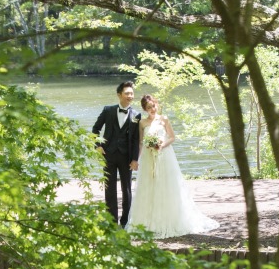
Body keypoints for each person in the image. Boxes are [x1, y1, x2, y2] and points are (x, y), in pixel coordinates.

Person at [126, 94, 219, 239]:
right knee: (149, 187)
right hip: (149, 158)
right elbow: (140, 142)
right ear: (145, 109)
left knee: (166, 186)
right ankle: (148, 222)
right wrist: (137, 159)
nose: (152, 109)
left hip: (165, 156)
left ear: (157, 105)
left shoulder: (164, 119)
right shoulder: (142, 123)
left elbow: (172, 137)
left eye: (154, 105)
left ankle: (168, 219)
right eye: (149, 107)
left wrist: (162, 145)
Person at [92, 81, 140, 227]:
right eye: (127, 93)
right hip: (109, 155)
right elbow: (95, 129)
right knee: (109, 189)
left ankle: (125, 222)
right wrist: (98, 146)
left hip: (127, 157)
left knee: (127, 189)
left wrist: (134, 159)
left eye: (131, 93)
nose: (130, 96)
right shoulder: (108, 110)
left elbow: (136, 139)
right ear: (119, 95)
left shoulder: (136, 114)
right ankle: (112, 222)